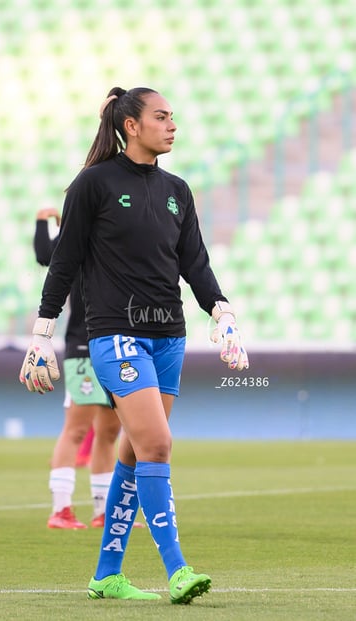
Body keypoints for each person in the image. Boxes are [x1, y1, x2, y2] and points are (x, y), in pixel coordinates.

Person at [20, 87, 249, 604]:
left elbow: (195, 262)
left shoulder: (178, 189)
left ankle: (107, 574)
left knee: (133, 447)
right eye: (162, 117)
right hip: (114, 335)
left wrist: (223, 312)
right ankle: (177, 570)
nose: (172, 126)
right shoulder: (92, 185)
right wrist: (41, 335)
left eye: (174, 118)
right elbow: (64, 262)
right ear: (131, 125)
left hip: (169, 337)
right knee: (159, 445)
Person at [34, 207, 133, 529]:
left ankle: (103, 511)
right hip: (83, 345)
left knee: (109, 432)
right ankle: (60, 509)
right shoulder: (76, 240)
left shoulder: (117, 242)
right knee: (77, 428)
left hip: (117, 344)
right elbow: (45, 255)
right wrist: (43, 223)